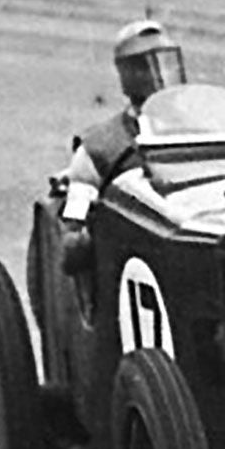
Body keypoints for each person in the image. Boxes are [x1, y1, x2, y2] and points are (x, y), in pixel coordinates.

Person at [60, 19, 186, 270]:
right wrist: (76, 232)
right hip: (132, 259)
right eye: (144, 67)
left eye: (165, 63)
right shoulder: (98, 149)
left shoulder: (203, 126)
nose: (158, 75)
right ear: (128, 74)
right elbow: (73, 232)